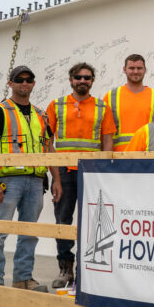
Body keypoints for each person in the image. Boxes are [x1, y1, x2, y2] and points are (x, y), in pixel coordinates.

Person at [0, 65, 61, 291]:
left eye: (29, 79)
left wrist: (56, 179)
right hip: (9, 182)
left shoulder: (41, 114)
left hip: (36, 182)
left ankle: (23, 278)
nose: (24, 83)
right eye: (19, 80)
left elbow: (49, 148)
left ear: (34, 83)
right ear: (11, 83)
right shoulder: (0, 111)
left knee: (29, 233)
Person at [46, 62, 115, 288]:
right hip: (64, 172)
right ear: (71, 80)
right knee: (63, 221)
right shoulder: (56, 106)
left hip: (92, 171)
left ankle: (87, 270)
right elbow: (47, 143)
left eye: (87, 77)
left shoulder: (102, 107)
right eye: (78, 77)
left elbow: (107, 140)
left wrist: (105, 172)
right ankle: (65, 269)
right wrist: (55, 177)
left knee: (92, 221)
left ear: (92, 80)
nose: (82, 81)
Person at [104, 54, 154, 151]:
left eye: (139, 68)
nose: (135, 71)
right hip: (118, 158)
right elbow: (104, 132)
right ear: (124, 69)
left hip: (147, 157)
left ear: (145, 70)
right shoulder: (111, 96)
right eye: (131, 68)